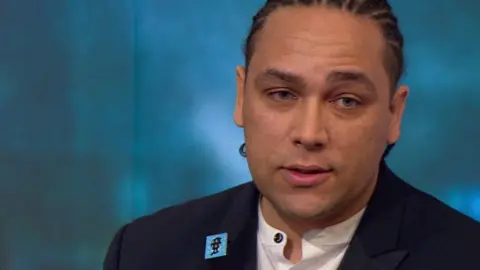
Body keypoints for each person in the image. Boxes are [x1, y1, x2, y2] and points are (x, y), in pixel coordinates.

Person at [103, 1, 480, 269]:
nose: (309, 133)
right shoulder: (146, 252)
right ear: (241, 97)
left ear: (394, 113)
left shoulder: (464, 255)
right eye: (282, 94)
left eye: (346, 101)